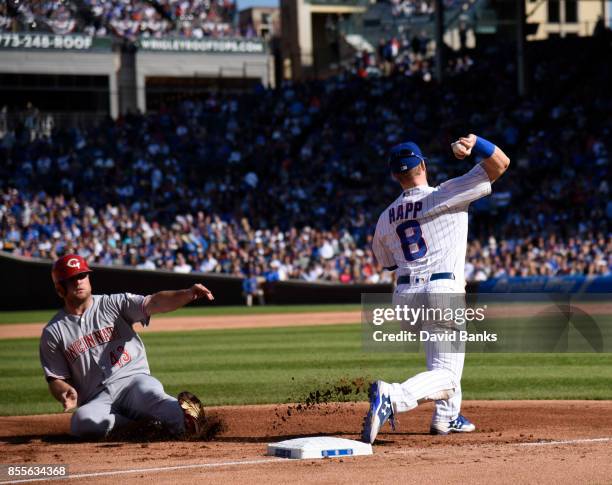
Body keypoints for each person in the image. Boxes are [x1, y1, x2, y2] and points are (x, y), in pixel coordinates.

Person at [362, 134, 510, 443]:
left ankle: (447, 417)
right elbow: (501, 164)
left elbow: (388, 263)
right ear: (424, 165)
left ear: (394, 175)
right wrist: (476, 143)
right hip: (441, 288)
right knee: (448, 377)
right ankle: (393, 396)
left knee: (442, 362)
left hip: (404, 297)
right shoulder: (446, 193)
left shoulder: (384, 218)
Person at [40, 254, 215, 439]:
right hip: (99, 399)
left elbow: (153, 302)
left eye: (82, 275)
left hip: (134, 382)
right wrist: (64, 391)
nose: (79, 282)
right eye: (71, 279)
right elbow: (55, 378)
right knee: (81, 422)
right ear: (60, 288)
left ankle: (185, 419)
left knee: (154, 397)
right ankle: (141, 427)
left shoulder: (113, 304)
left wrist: (187, 294)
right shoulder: (53, 332)